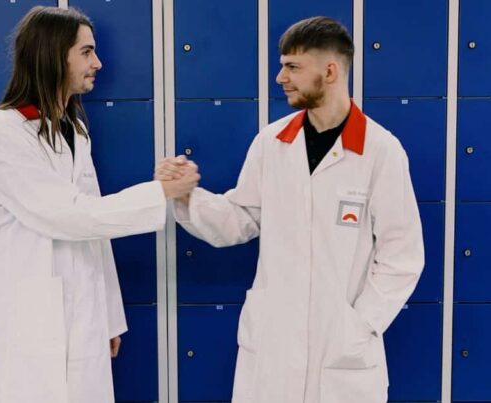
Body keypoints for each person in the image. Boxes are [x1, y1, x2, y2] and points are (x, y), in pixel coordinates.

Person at [156, 16, 424, 403]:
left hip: (341, 348)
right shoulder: (272, 142)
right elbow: (241, 218)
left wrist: (358, 325)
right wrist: (186, 195)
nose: (280, 77)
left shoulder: (380, 151)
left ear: (330, 70)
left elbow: (402, 255)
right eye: (282, 65)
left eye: (292, 67)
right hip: (275, 347)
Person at [0, 7, 198, 403]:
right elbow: (67, 216)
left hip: (81, 316)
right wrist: (157, 192)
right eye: (87, 52)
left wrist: (108, 314)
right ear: (55, 55)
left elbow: (95, 228)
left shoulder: (71, 130)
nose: (98, 63)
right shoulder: (3, 132)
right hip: (27, 326)